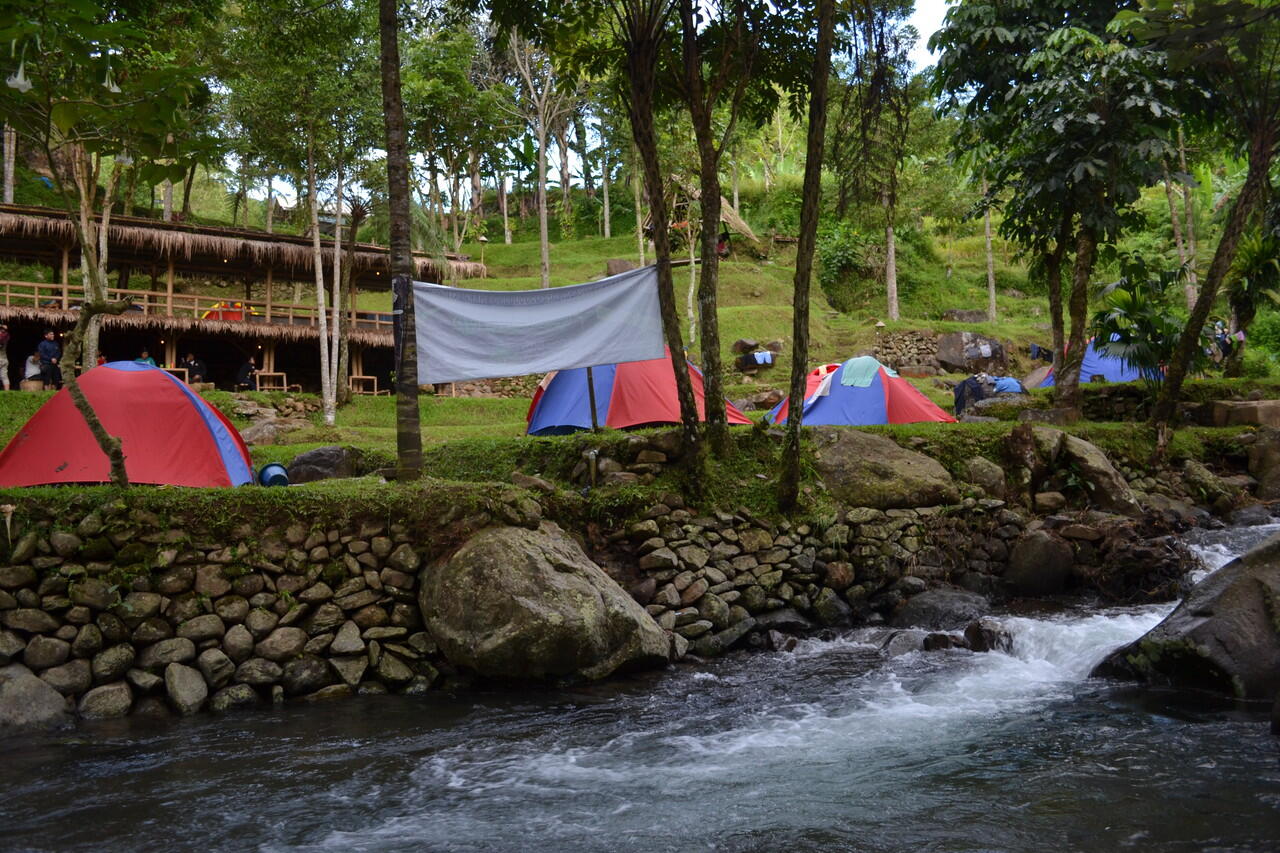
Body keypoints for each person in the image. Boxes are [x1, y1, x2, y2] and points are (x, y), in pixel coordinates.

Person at [0, 323, 10, 390]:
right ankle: (7, 392)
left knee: (4, 376)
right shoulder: (6, 336)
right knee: (4, 376)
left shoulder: (1, 337)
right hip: (4, 359)